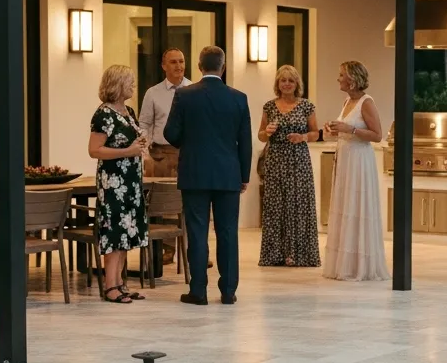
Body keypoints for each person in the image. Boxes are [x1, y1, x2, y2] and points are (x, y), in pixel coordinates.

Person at [165, 45, 251, 305]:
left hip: (195, 172)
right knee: (227, 232)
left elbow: (171, 134)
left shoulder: (184, 95)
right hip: (228, 175)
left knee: (197, 231)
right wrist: (243, 176)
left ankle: (198, 291)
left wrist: (190, 142)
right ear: (223, 67)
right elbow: (245, 141)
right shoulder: (238, 98)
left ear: (199, 67)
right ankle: (228, 291)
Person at [322, 60, 389, 282]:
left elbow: (377, 135)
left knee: (357, 206)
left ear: (352, 79)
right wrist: (334, 129)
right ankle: (346, 264)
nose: (338, 79)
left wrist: (349, 128)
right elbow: (347, 130)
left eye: (341, 75)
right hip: (345, 158)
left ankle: (361, 265)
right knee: (344, 205)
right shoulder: (347, 101)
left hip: (360, 160)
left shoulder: (366, 102)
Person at [88, 64, 149, 304]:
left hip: (131, 181)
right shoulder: (103, 114)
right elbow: (94, 150)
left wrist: (141, 144)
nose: (133, 85)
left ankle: (121, 283)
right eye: (130, 81)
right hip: (113, 181)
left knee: (126, 231)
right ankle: (110, 285)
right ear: (118, 84)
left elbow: (131, 142)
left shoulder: (128, 111)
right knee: (114, 231)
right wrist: (128, 150)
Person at [258, 64, 320, 267]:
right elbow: (260, 135)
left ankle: (298, 254)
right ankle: (274, 254)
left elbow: (315, 133)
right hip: (275, 159)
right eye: (282, 80)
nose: (286, 84)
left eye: (290, 80)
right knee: (276, 206)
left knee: (298, 205)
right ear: (278, 83)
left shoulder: (306, 106)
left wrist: (302, 137)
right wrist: (267, 131)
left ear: (297, 84)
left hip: (298, 160)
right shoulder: (269, 106)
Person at [140, 48, 191, 179]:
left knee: (185, 199)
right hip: (159, 157)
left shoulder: (194, 90)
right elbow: (144, 125)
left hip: (188, 156)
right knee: (159, 199)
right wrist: (145, 155)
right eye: (173, 62)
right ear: (164, 66)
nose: (179, 66)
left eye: (181, 61)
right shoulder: (152, 93)